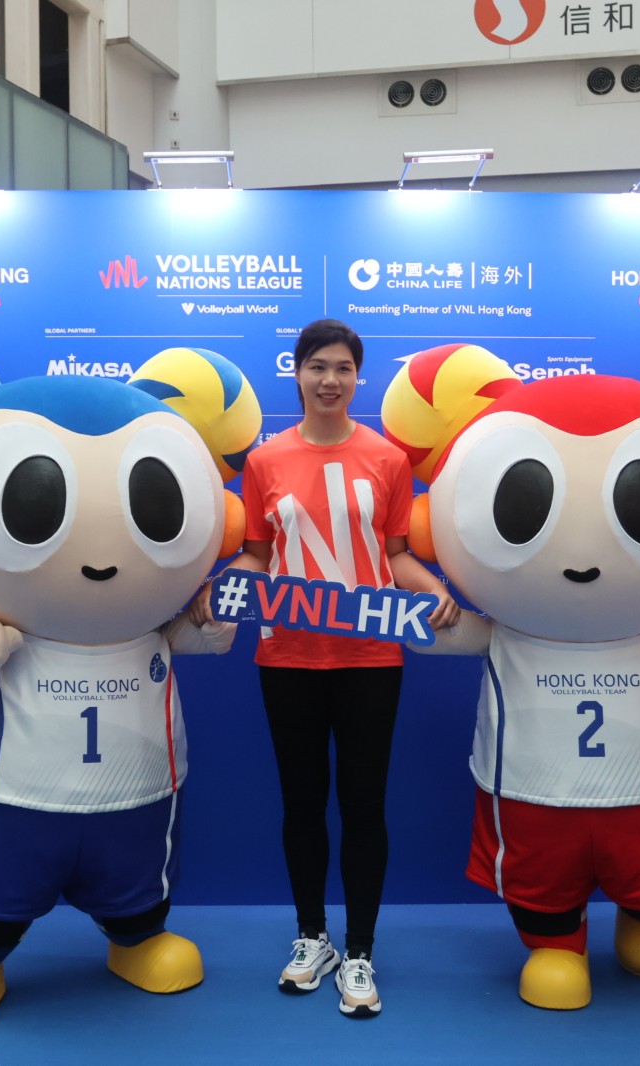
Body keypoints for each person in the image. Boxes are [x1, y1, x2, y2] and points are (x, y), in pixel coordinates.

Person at [191, 318, 457, 1018]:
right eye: (317, 367)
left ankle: (360, 950)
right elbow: (257, 554)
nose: (330, 379)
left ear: (357, 377)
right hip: (287, 657)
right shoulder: (266, 461)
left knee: (365, 806)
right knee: (301, 804)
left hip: (371, 659)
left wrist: (432, 589)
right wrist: (222, 589)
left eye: (342, 368)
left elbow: (394, 554)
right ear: (298, 373)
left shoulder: (387, 459)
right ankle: (313, 938)